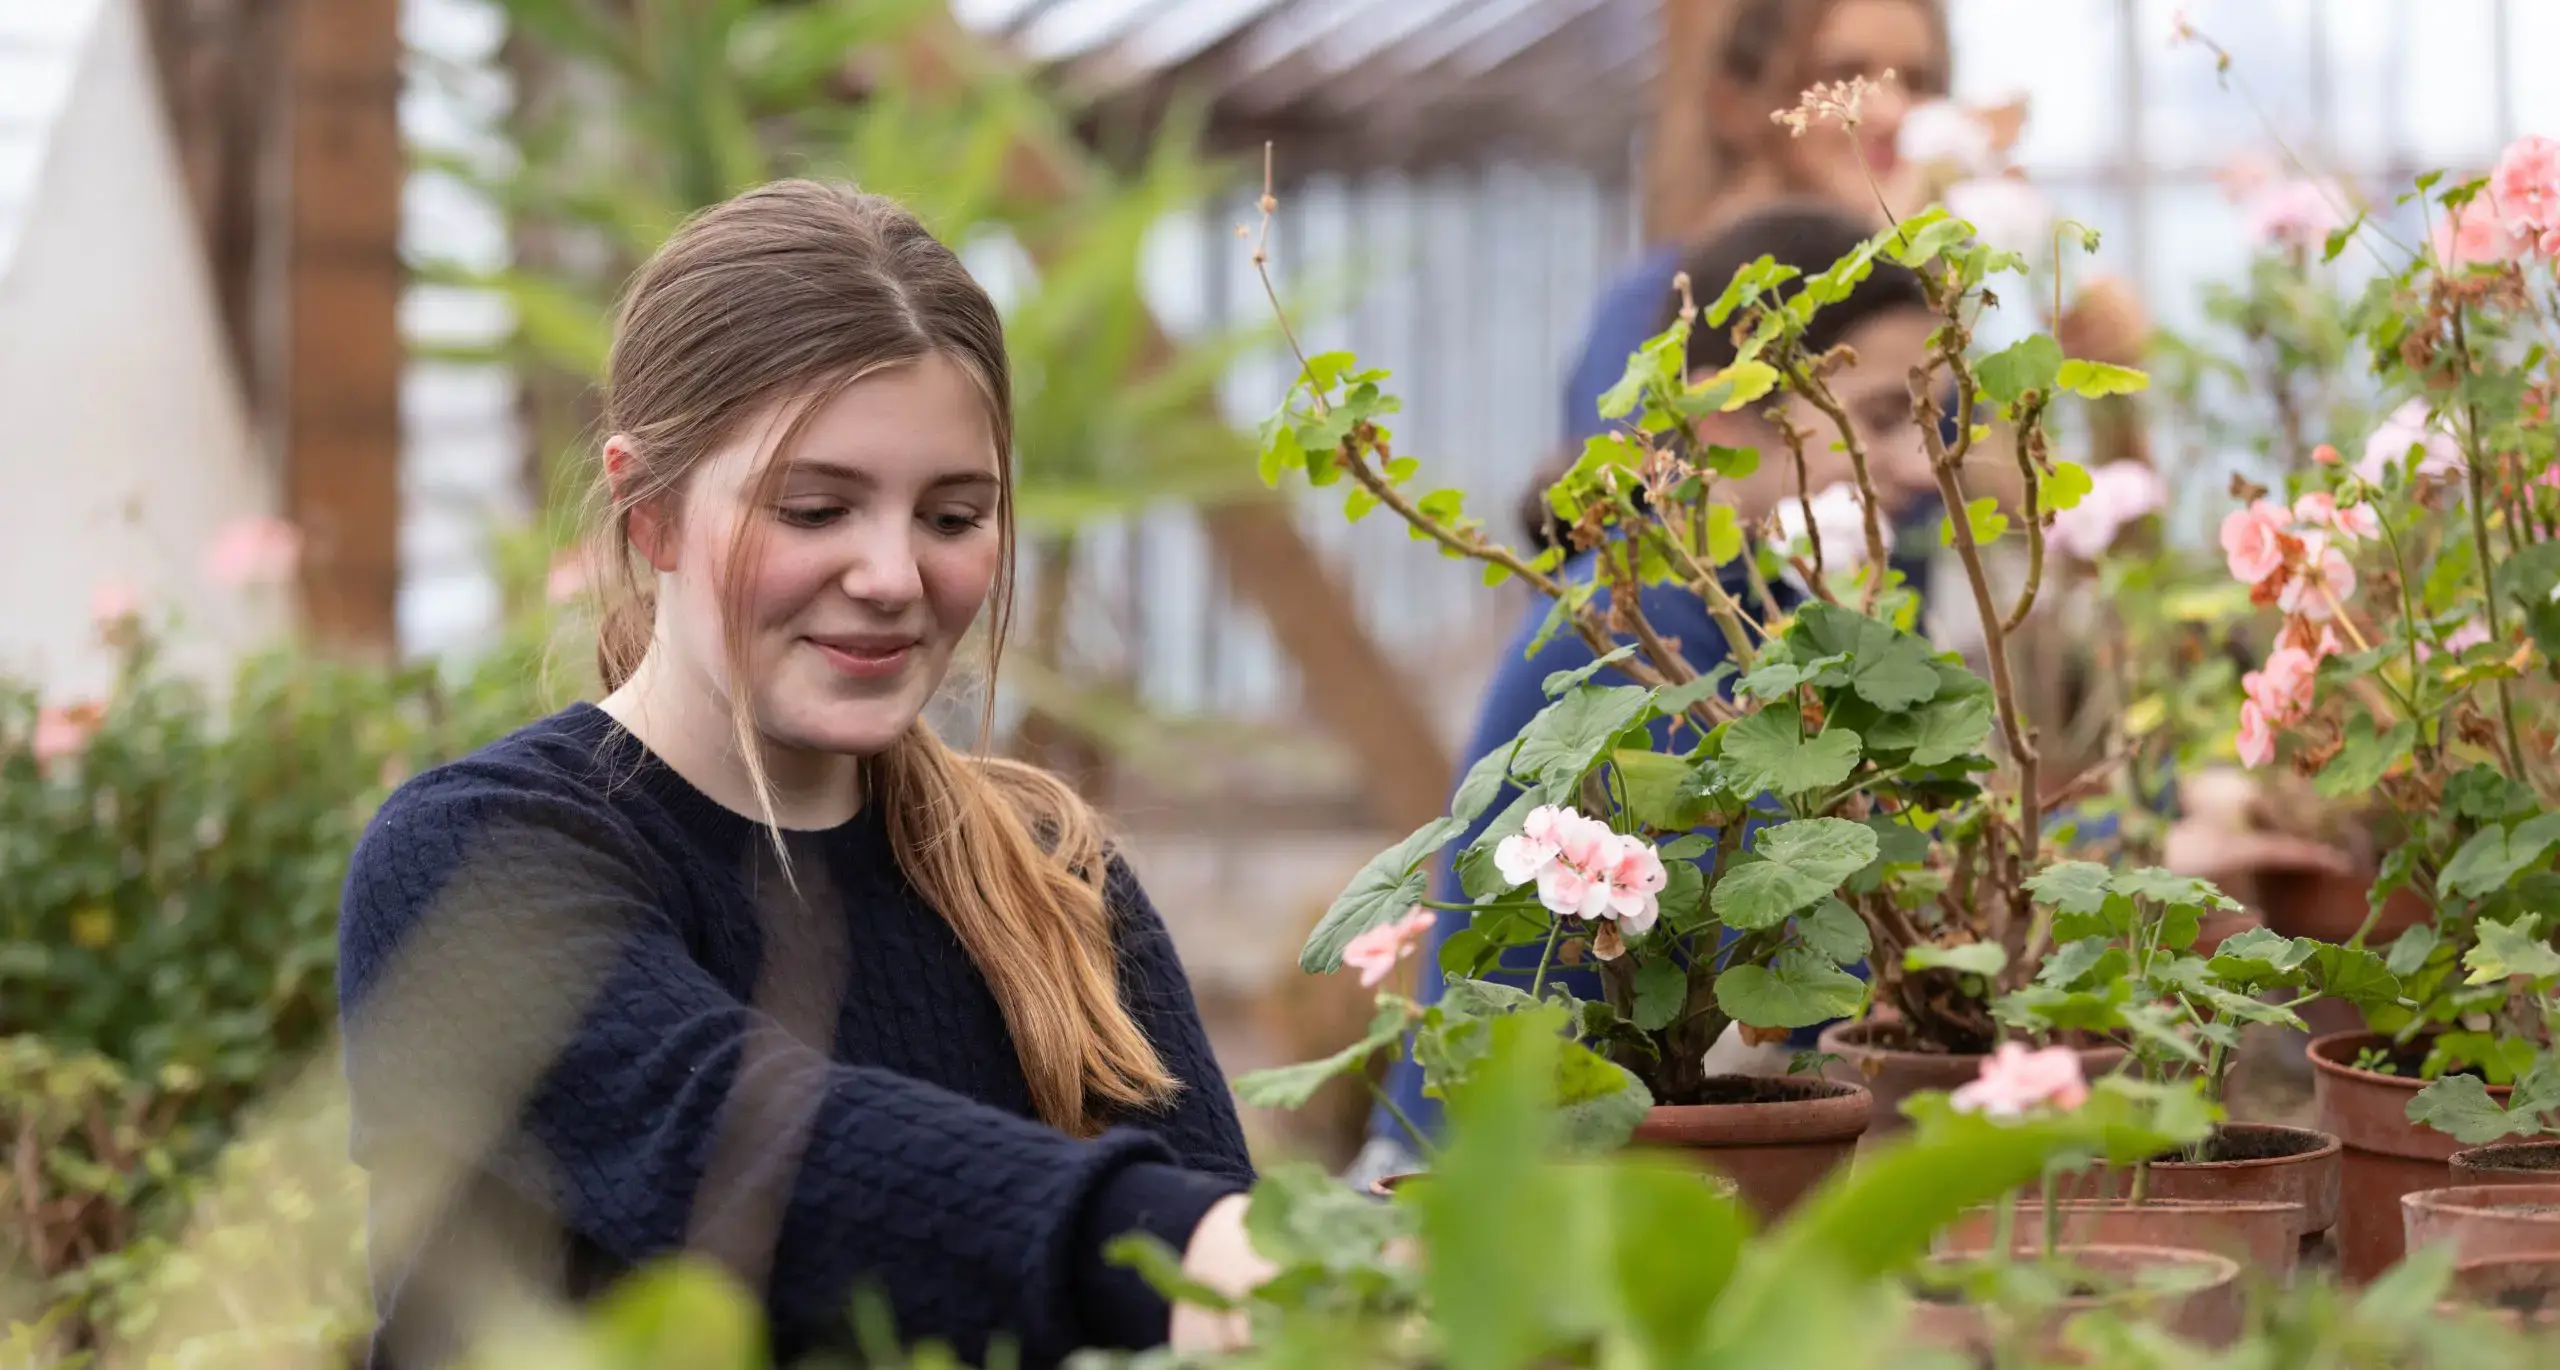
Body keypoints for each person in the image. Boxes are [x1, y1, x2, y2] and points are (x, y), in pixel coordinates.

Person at [336, 182, 1267, 1370]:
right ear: (650, 512)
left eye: (951, 514)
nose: (890, 573)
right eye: (817, 507)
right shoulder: (472, 860)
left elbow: (1241, 1305)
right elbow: (717, 1137)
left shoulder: (1052, 876)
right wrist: (1150, 1243)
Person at [1359, 203, 1950, 1170]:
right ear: (1722, 411)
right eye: (1885, 417)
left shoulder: (1745, 617)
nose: (1925, 468)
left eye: (1934, 421)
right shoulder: (1646, 638)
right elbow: (1831, 963)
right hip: (1464, 1206)